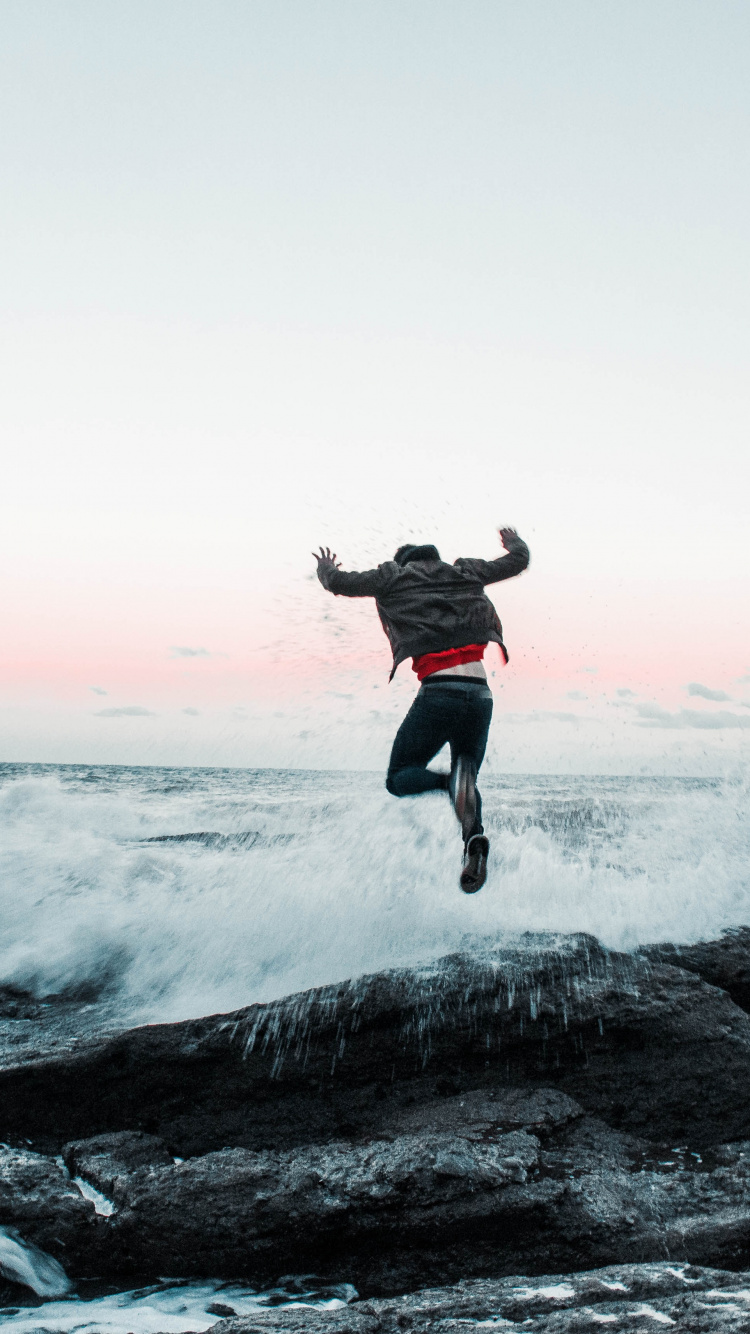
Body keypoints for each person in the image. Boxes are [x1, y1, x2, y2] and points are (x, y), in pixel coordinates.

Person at [313, 527, 530, 892]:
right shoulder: (464, 572)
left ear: (405, 563)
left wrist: (325, 568)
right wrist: (513, 542)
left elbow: (340, 583)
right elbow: (517, 561)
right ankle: (473, 841)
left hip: (440, 692)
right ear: (433, 557)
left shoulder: (394, 578)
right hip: (480, 695)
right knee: (468, 777)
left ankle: (448, 784)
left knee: (399, 777)